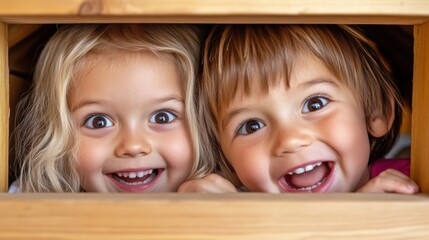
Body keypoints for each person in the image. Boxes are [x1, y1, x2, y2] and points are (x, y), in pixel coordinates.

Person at [178, 24, 419, 193]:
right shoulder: (236, 207)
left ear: (375, 110)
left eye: (315, 104)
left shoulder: (414, 181)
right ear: (226, 158)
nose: (290, 140)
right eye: (252, 126)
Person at [12, 24, 213, 192]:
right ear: (56, 135)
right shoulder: (26, 207)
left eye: (162, 117)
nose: (133, 146)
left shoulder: (230, 198)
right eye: (99, 122)